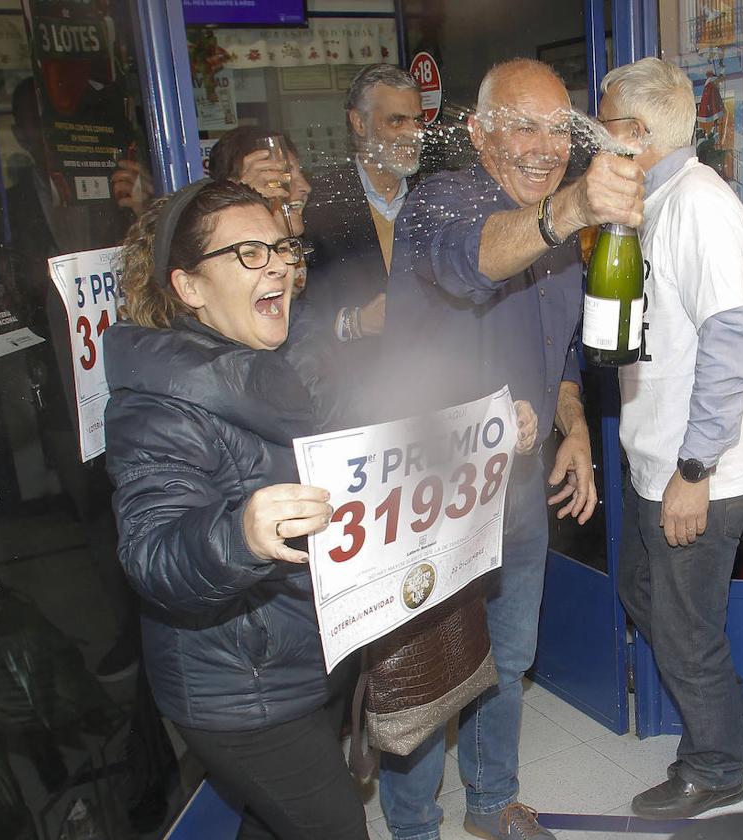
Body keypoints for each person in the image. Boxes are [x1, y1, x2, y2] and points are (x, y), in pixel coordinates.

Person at [378, 58, 645, 840]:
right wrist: (568, 208)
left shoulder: (560, 235)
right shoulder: (441, 203)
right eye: (522, 124)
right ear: (478, 131)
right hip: (431, 494)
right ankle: (413, 830)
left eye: (559, 128)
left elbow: (562, 346)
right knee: (429, 678)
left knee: (509, 655)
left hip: (518, 490)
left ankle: (491, 805)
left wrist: (572, 432)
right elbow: (476, 263)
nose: (543, 144)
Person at [101, 179, 368, 840]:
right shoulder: (156, 406)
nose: (279, 263)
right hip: (243, 691)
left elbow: (365, 446)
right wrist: (239, 534)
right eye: (249, 253)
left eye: (281, 246)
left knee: (276, 824)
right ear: (189, 287)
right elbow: (151, 552)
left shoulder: (293, 361)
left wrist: (488, 433)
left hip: (309, 651)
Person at [600, 58, 743, 819]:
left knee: (683, 621)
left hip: (700, 467)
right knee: (645, 593)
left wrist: (694, 472)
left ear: (636, 134)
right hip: (660, 459)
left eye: (601, 124)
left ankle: (713, 767)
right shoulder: (657, 199)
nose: (590, 136)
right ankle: (735, 725)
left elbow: (730, 348)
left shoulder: (698, 206)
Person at [302, 63, 425, 422]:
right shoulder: (319, 206)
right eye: (396, 121)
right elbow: (295, 321)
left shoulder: (436, 196)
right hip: (357, 406)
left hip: (437, 393)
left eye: (417, 121)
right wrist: (355, 323)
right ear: (359, 124)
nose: (412, 134)